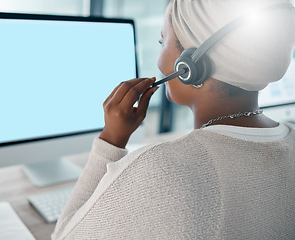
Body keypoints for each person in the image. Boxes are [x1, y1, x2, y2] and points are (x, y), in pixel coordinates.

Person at [52, 0, 295, 239]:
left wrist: (111, 140)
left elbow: (64, 235)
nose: (159, 60)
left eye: (162, 41)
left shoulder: (162, 170)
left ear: (190, 65)